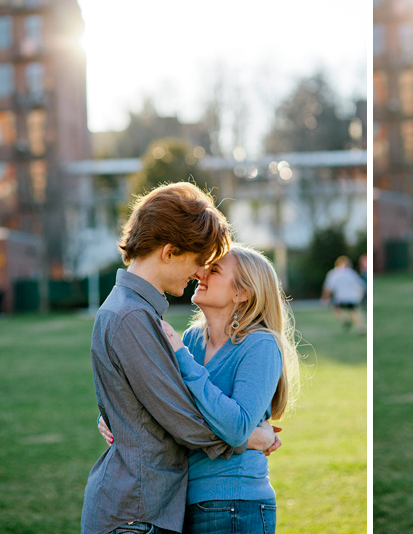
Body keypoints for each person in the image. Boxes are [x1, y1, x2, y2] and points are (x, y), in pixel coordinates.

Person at [82, 182, 277, 534]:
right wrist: (250, 438)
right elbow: (183, 420)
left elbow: (157, 406)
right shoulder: (133, 316)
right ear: (170, 252)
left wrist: (119, 416)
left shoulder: (137, 313)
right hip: (134, 513)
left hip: (145, 510)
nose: (199, 272)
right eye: (198, 260)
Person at [321, 255, 367, 334]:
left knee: (334, 308)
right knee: (353, 311)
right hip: (353, 297)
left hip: (340, 298)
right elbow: (361, 285)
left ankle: (345, 319)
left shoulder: (333, 273)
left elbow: (328, 287)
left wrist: (325, 297)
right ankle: (361, 327)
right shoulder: (351, 272)